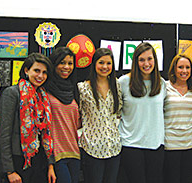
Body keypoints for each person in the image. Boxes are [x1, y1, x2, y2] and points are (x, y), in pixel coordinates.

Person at [0, 53, 56, 183]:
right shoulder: (12, 93)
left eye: (44, 72)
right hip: (18, 160)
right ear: (26, 70)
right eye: (36, 70)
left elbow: (47, 132)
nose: (40, 76)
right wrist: (9, 171)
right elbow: (3, 134)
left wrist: (50, 165)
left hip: (40, 160)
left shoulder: (43, 97)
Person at [119, 42, 166, 183]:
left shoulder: (162, 83)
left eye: (150, 59)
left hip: (155, 145)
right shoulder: (123, 82)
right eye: (142, 60)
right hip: (131, 145)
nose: (146, 63)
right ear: (135, 62)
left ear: (155, 60)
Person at [77, 48, 122, 183]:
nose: (105, 67)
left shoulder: (117, 84)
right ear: (94, 64)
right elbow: (78, 115)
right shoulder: (83, 88)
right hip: (92, 148)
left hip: (113, 147)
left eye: (108, 63)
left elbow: (118, 111)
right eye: (101, 63)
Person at [45, 47, 81, 183]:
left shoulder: (74, 90)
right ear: (54, 64)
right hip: (55, 155)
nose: (66, 67)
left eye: (70, 63)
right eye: (62, 63)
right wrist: (50, 162)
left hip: (74, 152)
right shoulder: (45, 89)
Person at [163, 54, 192, 183]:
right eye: (180, 67)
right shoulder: (164, 87)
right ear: (174, 69)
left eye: (187, 67)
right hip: (170, 144)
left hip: (191, 144)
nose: (184, 71)